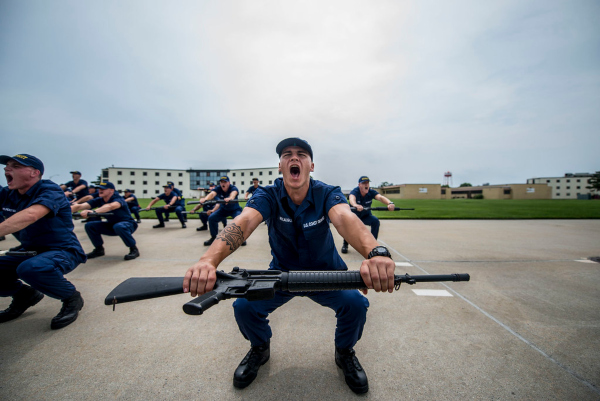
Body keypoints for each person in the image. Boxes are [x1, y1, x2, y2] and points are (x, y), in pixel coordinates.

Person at [183, 138, 395, 394]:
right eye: (287, 155)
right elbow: (244, 222)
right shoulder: (268, 195)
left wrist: (376, 252)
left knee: (356, 305)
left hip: (327, 275)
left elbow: (344, 218)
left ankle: (344, 352)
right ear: (280, 166)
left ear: (311, 165)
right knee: (244, 307)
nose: (294, 158)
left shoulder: (327, 192)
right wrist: (208, 260)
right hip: (282, 275)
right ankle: (260, 348)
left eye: (302, 154)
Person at [0, 154, 86, 330]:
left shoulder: (49, 190)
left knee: (31, 269)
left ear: (34, 173)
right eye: (7, 166)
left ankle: (72, 298)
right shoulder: (7, 194)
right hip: (28, 249)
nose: (7, 169)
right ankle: (24, 295)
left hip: (62, 250)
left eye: (15, 166)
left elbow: (31, 215)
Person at [71, 181, 140, 260]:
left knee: (118, 226)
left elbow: (111, 206)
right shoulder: (99, 200)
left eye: (103, 189)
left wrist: (94, 212)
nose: (100, 190)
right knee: (89, 225)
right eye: (99, 188)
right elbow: (82, 206)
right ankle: (99, 250)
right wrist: (61, 211)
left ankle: (134, 249)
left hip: (128, 224)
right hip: (111, 225)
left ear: (112, 190)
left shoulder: (118, 198)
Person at [341, 176, 396, 254]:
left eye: (367, 183)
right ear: (359, 185)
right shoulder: (355, 191)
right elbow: (351, 199)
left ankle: (373, 245)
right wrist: (356, 205)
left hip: (366, 216)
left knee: (375, 221)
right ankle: (345, 245)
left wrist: (390, 203)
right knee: (348, 228)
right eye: (364, 183)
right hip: (354, 217)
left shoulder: (371, 192)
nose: (366, 185)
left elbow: (380, 197)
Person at [199, 176, 244, 246]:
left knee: (240, 220)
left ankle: (241, 238)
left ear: (229, 183)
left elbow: (234, 193)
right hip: (223, 209)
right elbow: (212, 193)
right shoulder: (218, 188)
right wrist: (205, 199)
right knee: (211, 218)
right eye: (221, 182)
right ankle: (213, 237)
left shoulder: (233, 188)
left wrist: (230, 198)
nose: (223, 184)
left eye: (225, 182)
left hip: (234, 209)